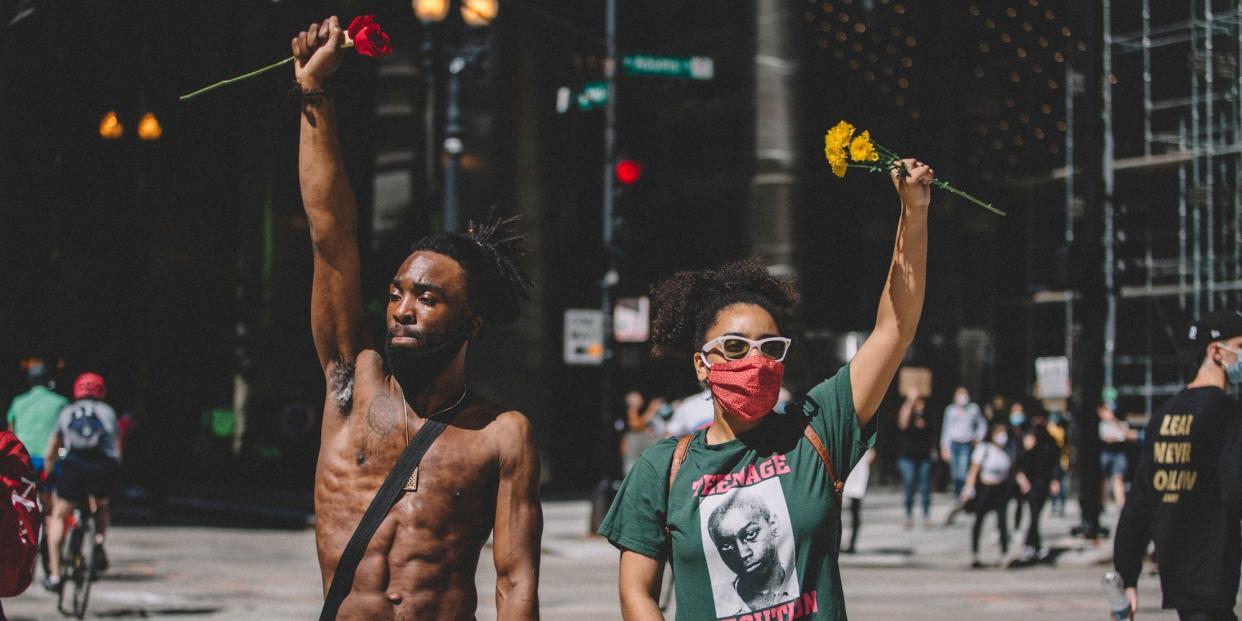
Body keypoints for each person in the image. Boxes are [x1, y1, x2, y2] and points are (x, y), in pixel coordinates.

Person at [599, 157, 932, 619]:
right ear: (702, 365)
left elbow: (893, 329)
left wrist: (913, 212)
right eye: (734, 347)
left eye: (769, 347)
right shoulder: (662, 469)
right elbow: (637, 593)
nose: (754, 361)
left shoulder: (817, 431)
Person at [290, 17, 541, 619]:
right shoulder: (350, 382)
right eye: (398, 293)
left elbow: (515, 582)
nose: (403, 309)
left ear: (472, 322)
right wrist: (314, 94)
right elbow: (331, 237)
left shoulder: (501, 435)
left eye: (429, 299)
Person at [1114, 309, 1242, 620]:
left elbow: (1140, 500)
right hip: (1213, 564)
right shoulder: (1227, 414)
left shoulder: (1163, 415)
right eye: (1240, 346)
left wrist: (1126, 576)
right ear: (1216, 352)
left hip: (1176, 569)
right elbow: (1234, 488)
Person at [43, 372, 121, 592]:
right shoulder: (108, 412)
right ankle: (98, 543)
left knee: (59, 514)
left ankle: (56, 575)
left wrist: (53, 463)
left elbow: (56, 444)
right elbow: (115, 446)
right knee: (102, 505)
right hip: (101, 465)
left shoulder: (67, 411)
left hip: (73, 464)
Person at [962, 421, 1013, 569]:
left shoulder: (1007, 450)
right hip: (985, 488)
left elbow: (1013, 470)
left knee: (1002, 522)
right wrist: (968, 489)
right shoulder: (984, 448)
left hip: (1001, 489)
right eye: (998, 432)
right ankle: (975, 553)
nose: (1001, 436)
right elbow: (974, 469)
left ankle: (1005, 553)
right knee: (979, 520)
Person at [6, 359, 68, 476]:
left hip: (22, 458)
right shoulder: (61, 402)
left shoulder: (18, 401)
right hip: (50, 458)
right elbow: (66, 434)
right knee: (53, 491)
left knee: (22, 493)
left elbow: (10, 433)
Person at [1014, 411, 1060, 562]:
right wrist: (1027, 448)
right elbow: (1018, 462)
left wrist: (1055, 479)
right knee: (1033, 513)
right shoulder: (1027, 438)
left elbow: (1055, 463)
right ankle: (1031, 544)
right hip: (1029, 481)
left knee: (1036, 514)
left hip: (1043, 481)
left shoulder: (1050, 440)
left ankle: (1033, 544)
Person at [896, 389, 935, 528]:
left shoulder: (928, 415)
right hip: (908, 457)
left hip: (924, 456)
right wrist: (910, 400)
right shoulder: (908, 414)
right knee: (909, 485)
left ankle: (926, 515)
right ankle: (908, 514)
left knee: (925, 487)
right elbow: (902, 423)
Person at [941, 386, 985, 496]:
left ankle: (962, 493)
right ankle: (957, 490)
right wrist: (944, 447)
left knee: (963, 470)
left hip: (965, 444)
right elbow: (946, 429)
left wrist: (978, 438)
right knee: (954, 471)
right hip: (953, 443)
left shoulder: (973, 409)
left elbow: (982, 424)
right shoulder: (950, 410)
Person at [1099, 402, 1136, 510]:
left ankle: (1121, 503)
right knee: (1103, 479)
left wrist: (1114, 421)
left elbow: (1127, 435)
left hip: (1118, 452)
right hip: (1105, 451)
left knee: (1118, 477)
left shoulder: (1121, 423)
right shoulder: (1101, 424)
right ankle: (1102, 502)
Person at [623, 391, 668, 475]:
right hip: (634, 447)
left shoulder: (640, 411)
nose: (640, 399)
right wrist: (652, 410)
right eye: (637, 397)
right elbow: (636, 425)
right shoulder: (631, 410)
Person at [841, 448, 876, 553]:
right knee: (839, 513)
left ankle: (852, 544)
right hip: (845, 472)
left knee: (854, 512)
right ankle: (839, 542)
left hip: (857, 473)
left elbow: (872, 452)